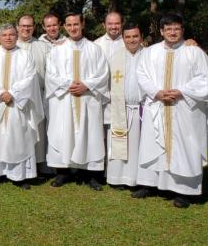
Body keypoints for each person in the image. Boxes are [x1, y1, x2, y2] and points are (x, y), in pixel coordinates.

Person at [135, 13, 208, 208]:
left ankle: (185, 191)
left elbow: (203, 79)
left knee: (185, 148)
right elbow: (141, 75)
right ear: (161, 31)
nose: (172, 32)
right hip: (157, 105)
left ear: (182, 30)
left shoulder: (195, 53)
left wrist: (181, 91)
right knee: (153, 145)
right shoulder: (150, 52)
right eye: (168, 29)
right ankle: (151, 184)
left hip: (185, 109)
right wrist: (156, 92)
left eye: (176, 29)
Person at [45, 12, 109, 190]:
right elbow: (51, 74)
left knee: (89, 135)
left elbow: (103, 74)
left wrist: (87, 85)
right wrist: (68, 84)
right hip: (64, 100)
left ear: (82, 24)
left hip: (88, 99)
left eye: (76, 24)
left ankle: (91, 175)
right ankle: (62, 173)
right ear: (64, 26)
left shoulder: (94, 49)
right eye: (69, 25)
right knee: (63, 133)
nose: (73, 28)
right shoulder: (57, 49)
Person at [0, 24, 43, 189]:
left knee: (18, 137)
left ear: (16, 36)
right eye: (4, 35)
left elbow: (30, 77)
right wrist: (0, 93)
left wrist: (12, 93)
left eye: (11, 34)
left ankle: (19, 175)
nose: (8, 37)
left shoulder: (25, 55)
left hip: (17, 104)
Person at [105, 22, 144, 191]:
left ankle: (139, 179)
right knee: (120, 145)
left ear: (141, 36)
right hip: (121, 109)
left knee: (140, 147)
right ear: (123, 38)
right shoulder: (116, 57)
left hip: (143, 109)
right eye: (128, 37)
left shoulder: (149, 55)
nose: (132, 40)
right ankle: (117, 178)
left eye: (135, 36)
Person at [16, 14, 52, 175]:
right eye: (23, 26)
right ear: (18, 27)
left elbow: (51, 70)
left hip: (38, 95)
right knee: (19, 131)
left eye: (29, 26)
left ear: (34, 28)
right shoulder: (11, 44)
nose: (26, 29)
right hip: (16, 98)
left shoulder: (42, 46)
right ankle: (19, 163)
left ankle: (39, 164)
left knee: (38, 130)